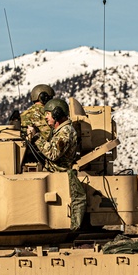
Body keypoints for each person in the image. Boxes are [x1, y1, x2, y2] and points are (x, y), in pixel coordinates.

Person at [40, 98, 87, 230]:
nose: (46, 118)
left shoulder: (66, 131)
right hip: (54, 175)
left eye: (48, 114)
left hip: (59, 176)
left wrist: (36, 138)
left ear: (56, 114)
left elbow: (53, 154)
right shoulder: (59, 131)